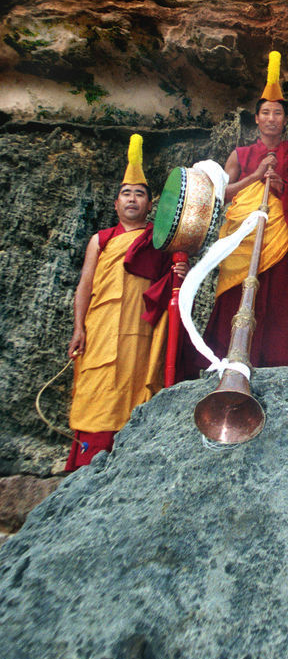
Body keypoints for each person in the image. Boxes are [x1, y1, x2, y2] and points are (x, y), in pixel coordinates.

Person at [182, 50, 288, 374]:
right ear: (256, 119)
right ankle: (223, 372)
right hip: (242, 243)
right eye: (266, 113)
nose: (272, 118)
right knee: (234, 304)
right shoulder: (240, 154)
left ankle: (276, 372)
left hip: (280, 245)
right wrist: (256, 176)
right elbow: (222, 197)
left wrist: (285, 189)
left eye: (277, 113)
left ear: (285, 120)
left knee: (276, 309)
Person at [65, 134, 181, 471]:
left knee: (132, 390)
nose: (132, 199)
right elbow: (85, 285)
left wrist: (180, 270)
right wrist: (78, 328)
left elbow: (171, 283)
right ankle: (85, 468)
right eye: (126, 194)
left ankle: (128, 466)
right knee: (96, 390)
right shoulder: (100, 241)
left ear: (150, 205)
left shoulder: (158, 240)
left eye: (139, 194)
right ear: (116, 203)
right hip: (98, 330)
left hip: (138, 333)